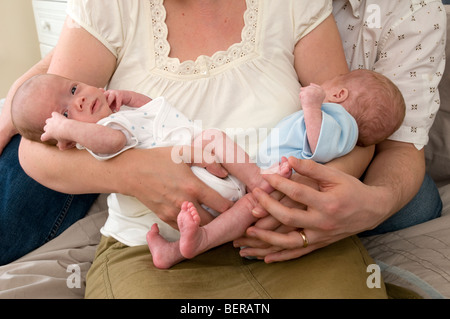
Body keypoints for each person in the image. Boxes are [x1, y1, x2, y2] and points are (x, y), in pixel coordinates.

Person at [0, 0, 437, 298]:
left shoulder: (297, 7)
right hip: (154, 252)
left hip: (286, 238)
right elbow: (38, 147)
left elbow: (351, 133)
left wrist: (325, 193)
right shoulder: (109, 9)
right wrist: (132, 174)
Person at [10, 69, 406, 269]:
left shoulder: (119, 113)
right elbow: (112, 144)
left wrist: (129, 97)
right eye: (65, 111)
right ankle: (251, 188)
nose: (77, 103)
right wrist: (70, 129)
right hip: (185, 165)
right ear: (67, 139)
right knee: (237, 184)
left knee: (240, 204)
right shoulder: (101, 134)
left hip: (199, 159)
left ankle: (192, 242)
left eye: (75, 90)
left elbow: (155, 110)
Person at [235, 0, 445, 263]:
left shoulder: (414, 10)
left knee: (418, 205)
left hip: (335, 153)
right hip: (280, 143)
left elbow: (400, 145)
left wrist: (355, 199)